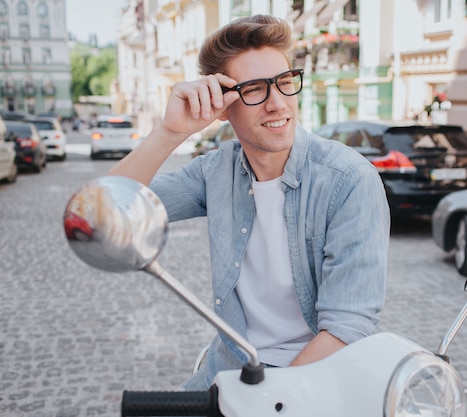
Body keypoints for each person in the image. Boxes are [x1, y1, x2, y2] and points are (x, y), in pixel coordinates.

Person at [107, 14, 390, 388]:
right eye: (255, 89)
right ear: (223, 106)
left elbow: (347, 326)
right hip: (232, 366)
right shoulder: (215, 170)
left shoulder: (349, 179)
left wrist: (271, 398)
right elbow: (108, 213)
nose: (278, 104)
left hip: (318, 379)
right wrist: (169, 132)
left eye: (285, 83)